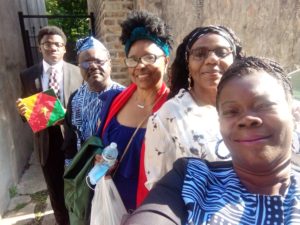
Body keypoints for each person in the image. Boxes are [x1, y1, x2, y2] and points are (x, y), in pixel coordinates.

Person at [122, 56, 300, 225]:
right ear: (219, 123)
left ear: (293, 112)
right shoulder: (190, 178)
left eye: (264, 105)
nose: (247, 119)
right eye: (231, 111)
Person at [144, 25, 243, 189]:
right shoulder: (167, 116)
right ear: (188, 63)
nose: (211, 59)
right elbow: (159, 186)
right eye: (199, 54)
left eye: (221, 52)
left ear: (235, 59)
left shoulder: (254, 107)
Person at [95, 10, 173, 211]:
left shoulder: (174, 110)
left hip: (151, 211)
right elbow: (98, 144)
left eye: (149, 57)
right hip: (111, 205)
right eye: (133, 59)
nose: (140, 66)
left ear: (166, 61)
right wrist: (102, 161)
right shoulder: (114, 101)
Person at [16, 26, 82, 225]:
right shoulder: (28, 75)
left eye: (57, 44)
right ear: (40, 47)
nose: (52, 48)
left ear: (64, 49)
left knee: (78, 187)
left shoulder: (78, 72)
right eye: (47, 44)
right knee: (55, 192)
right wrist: (23, 113)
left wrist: (67, 117)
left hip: (74, 139)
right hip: (46, 142)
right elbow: (27, 114)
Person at [62, 36, 124, 166]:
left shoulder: (124, 96)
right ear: (79, 67)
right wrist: (70, 170)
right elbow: (70, 140)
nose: (93, 66)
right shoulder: (75, 98)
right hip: (83, 170)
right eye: (86, 63)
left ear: (110, 64)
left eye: (99, 61)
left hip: (116, 170)